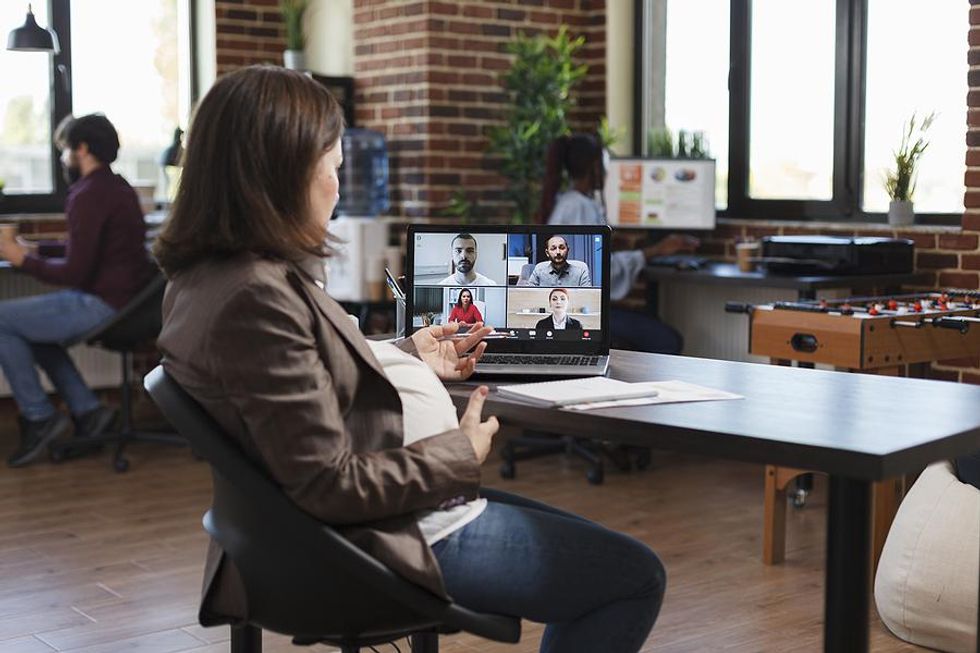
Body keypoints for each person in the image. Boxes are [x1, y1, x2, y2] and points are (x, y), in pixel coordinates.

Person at [153, 65, 665, 652]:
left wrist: (406, 353)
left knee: (593, 545)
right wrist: (458, 455)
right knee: (633, 576)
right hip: (381, 537)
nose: (339, 188)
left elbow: (305, 378)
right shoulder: (254, 298)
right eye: (333, 170)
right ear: (281, 175)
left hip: (371, 517)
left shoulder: (212, 280)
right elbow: (327, 481)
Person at [0, 113, 156, 467]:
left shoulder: (87, 194)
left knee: (2, 320)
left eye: (64, 150)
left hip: (102, 304)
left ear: (81, 149)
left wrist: (21, 261)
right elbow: (87, 249)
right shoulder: (116, 187)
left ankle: (39, 418)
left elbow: (74, 271)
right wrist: (38, 250)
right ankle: (88, 411)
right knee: (32, 332)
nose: (62, 159)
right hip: (128, 302)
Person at [541, 133, 699, 354]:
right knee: (667, 340)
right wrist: (654, 251)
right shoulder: (579, 208)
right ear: (596, 166)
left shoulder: (570, 203)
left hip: (578, 307)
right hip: (581, 312)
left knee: (650, 321)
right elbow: (603, 271)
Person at [527, 235, 592, 287]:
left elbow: (588, 297)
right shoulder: (539, 270)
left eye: (562, 248)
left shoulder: (581, 272)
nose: (558, 252)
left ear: (568, 250)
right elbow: (529, 295)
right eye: (553, 248)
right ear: (547, 253)